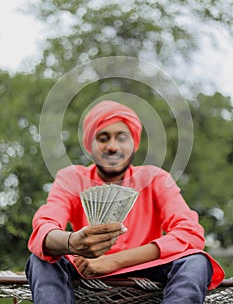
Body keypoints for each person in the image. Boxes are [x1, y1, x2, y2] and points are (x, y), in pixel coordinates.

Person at [26, 100, 224, 304]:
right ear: (90, 145)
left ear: (134, 143)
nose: (112, 147)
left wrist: (112, 261)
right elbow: (44, 229)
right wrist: (72, 242)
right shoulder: (71, 178)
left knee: (195, 261)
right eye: (103, 138)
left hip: (146, 268)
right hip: (84, 268)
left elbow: (190, 232)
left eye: (122, 138)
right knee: (42, 259)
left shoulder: (154, 177)